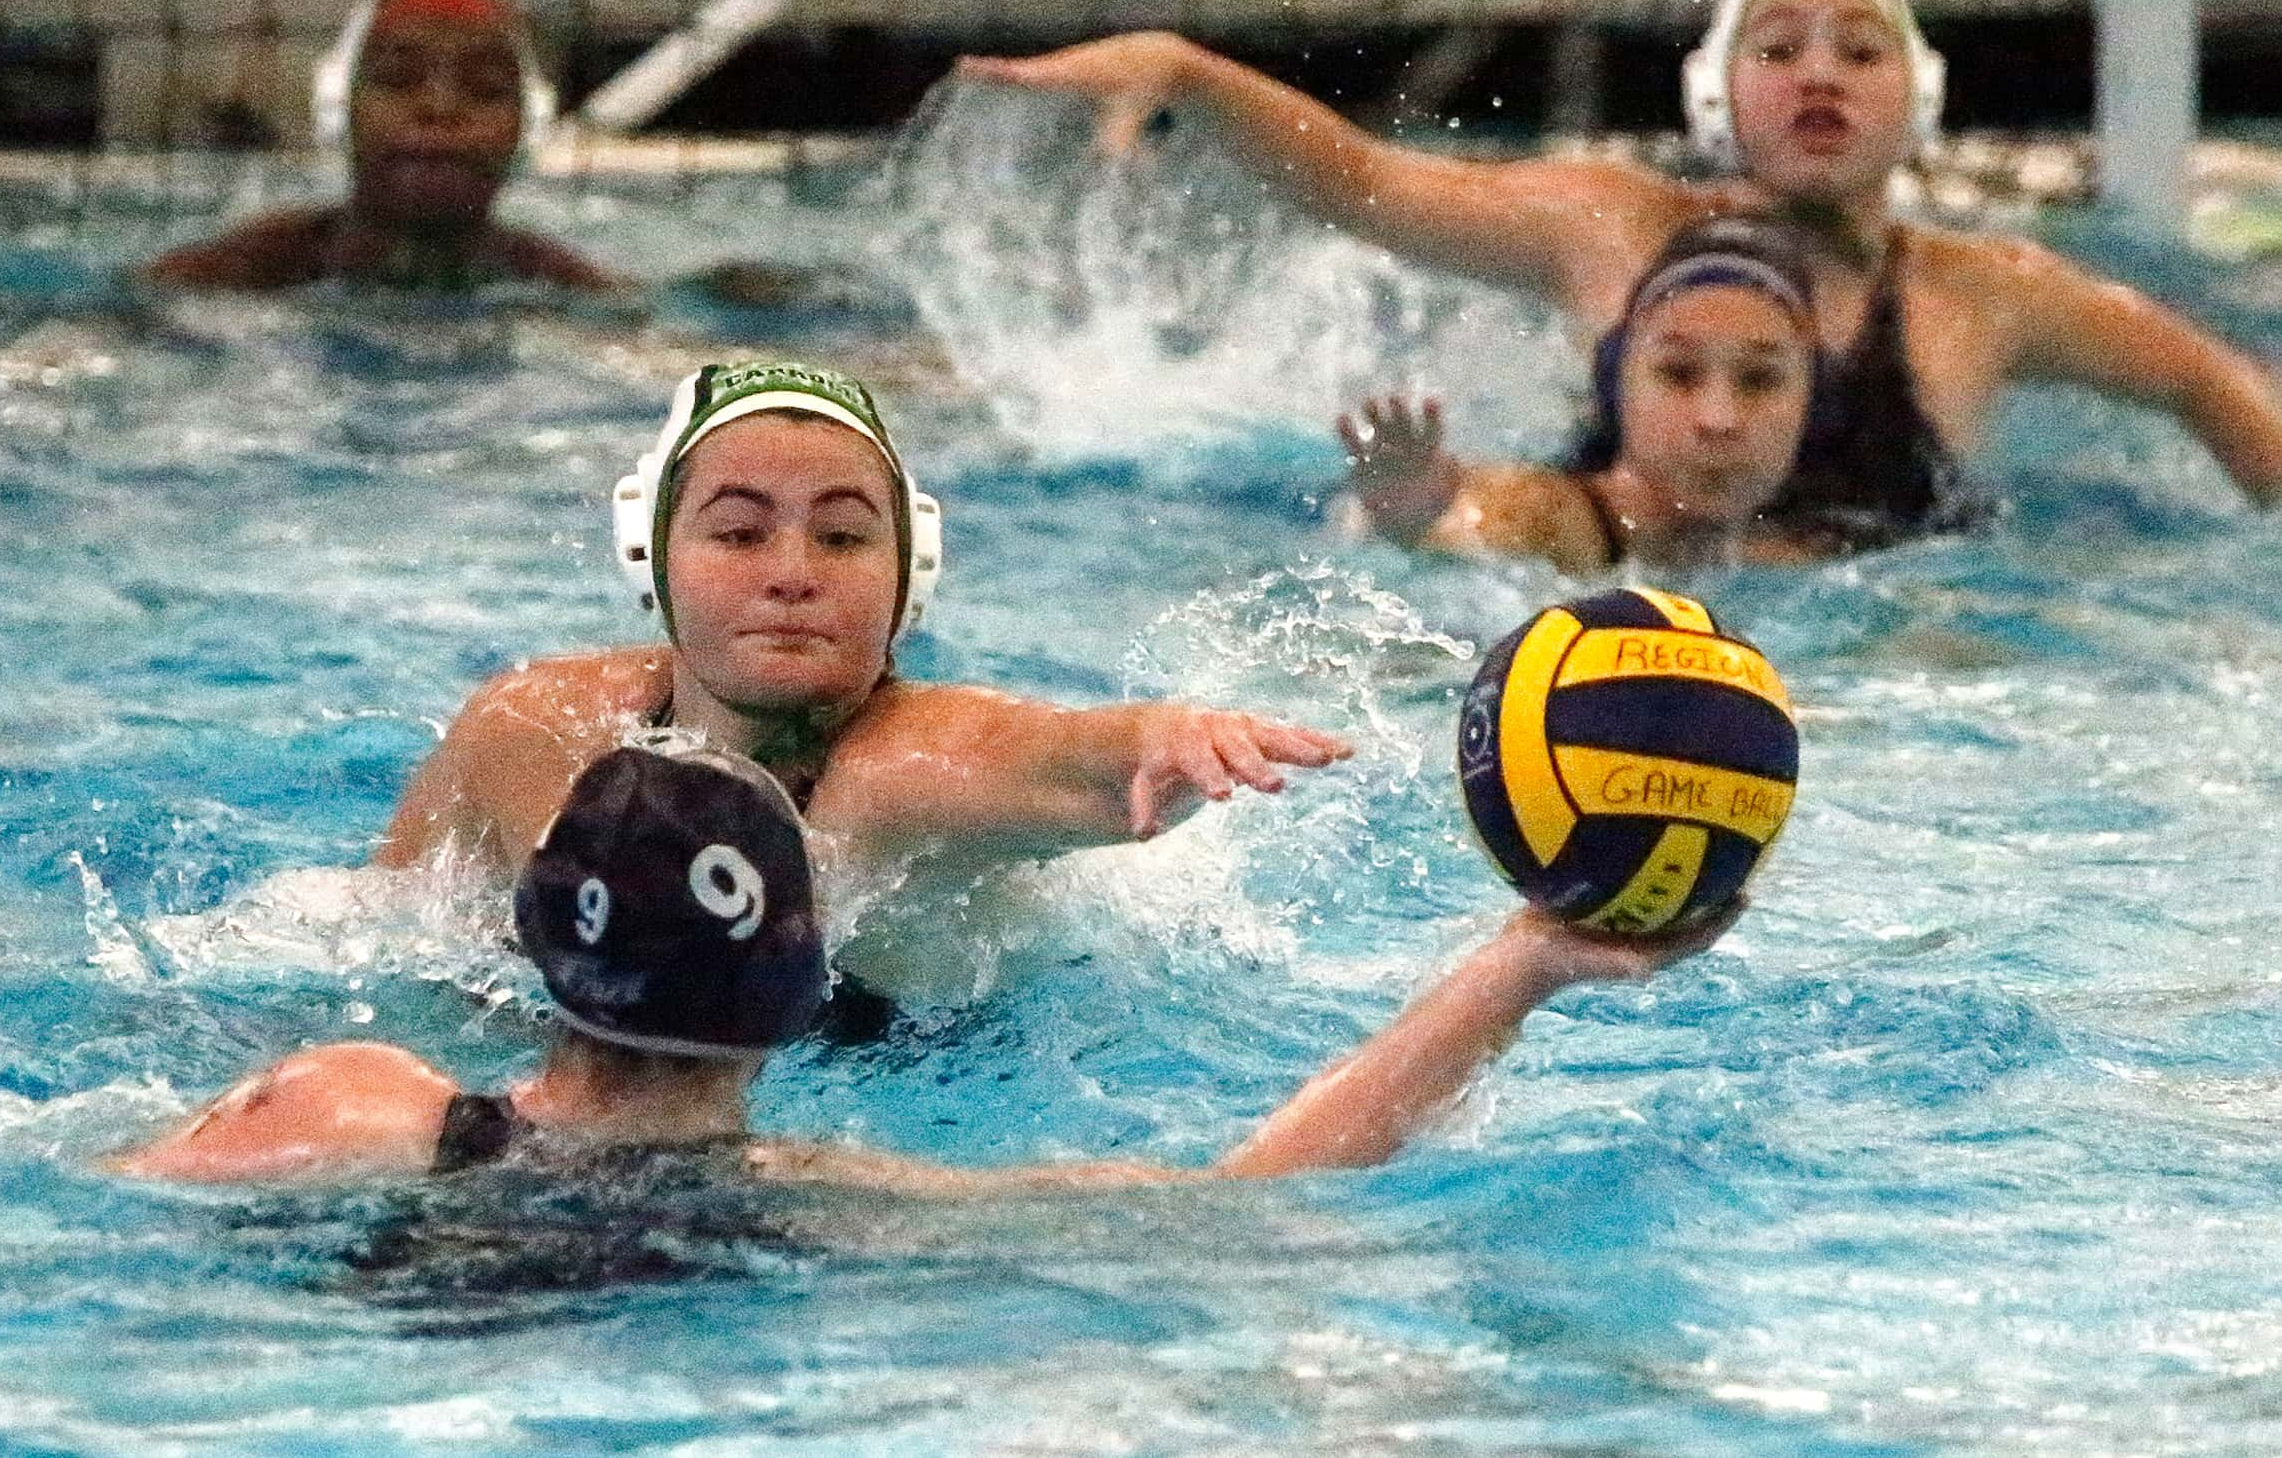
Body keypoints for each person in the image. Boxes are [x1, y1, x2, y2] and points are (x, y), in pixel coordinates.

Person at [962, 0, 2282, 546]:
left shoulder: (1987, 295)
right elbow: (1363, 182)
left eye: (1857, 51)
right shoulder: (1611, 225)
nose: (1818, 75)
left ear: (1914, 94)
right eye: (1778, 47)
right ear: (1713, 92)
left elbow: (2207, 382)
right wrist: (1194, 72)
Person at [119, 740, 1739, 1188]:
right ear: (791, 991)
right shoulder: (826, 1196)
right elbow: (1248, 1195)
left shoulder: (354, 1103)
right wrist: (1516, 963)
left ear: (530, 946)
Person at [374, 357, 1351, 891]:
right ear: (651, 555)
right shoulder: (531, 734)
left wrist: (1170, 738)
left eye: (842, 537)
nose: (792, 575)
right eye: (740, 533)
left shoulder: (901, 776)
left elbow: (1068, 759)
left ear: (908, 574)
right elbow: (361, 942)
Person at [1338, 216, 1834, 573]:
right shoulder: (1564, 521)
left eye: (1760, 380)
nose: (1719, 419)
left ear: (1810, 397)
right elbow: (1487, 525)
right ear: (1618, 387)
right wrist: (1413, 515)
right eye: (1679, 375)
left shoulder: (1800, 552)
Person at [140, 0, 632, 296]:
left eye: (484, 89)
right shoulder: (230, 274)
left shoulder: (572, 290)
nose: (439, 109)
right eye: (397, 79)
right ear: (338, 111)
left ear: (527, 128)